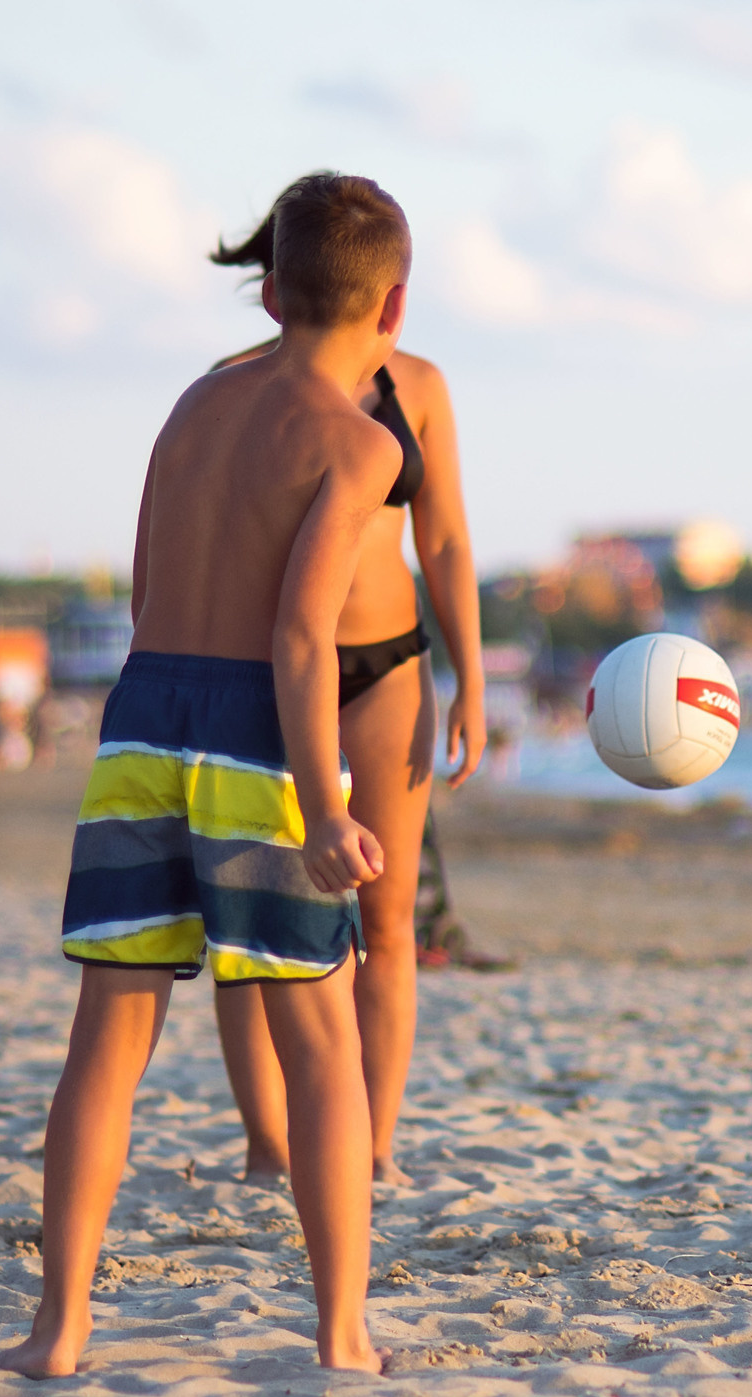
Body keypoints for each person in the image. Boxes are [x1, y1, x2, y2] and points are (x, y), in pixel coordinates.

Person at [0, 171, 410, 1377]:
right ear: (392, 308)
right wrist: (323, 808)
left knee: (106, 1044)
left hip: (144, 713)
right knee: (320, 1047)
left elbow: (144, 587)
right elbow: (301, 638)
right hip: (255, 732)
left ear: (270, 294)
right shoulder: (361, 444)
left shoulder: (194, 403)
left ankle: (59, 1329)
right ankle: (342, 1335)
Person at [202, 194, 491, 1186]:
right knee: (254, 922)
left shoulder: (420, 385)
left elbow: (445, 541)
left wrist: (472, 678)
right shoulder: (239, 386)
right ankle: (267, 1145)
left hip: (389, 667)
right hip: (273, 671)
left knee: (389, 919)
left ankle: (373, 1147)